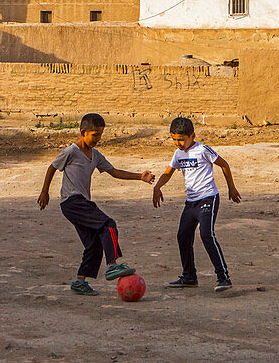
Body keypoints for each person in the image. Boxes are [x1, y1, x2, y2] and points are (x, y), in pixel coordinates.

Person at [37, 113, 154, 295]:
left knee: (94, 244)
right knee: (108, 224)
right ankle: (112, 265)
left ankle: (79, 281)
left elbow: (114, 171)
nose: (98, 139)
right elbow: (52, 167)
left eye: (100, 135)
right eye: (95, 135)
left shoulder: (96, 155)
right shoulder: (71, 151)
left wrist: (140, 177)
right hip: (72, 201)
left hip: (81, 203)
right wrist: (45, 192)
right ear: (83, 132)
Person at [152, 116, 241, 293]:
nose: (178, 143)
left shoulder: (202, 150)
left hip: (208, 198)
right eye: (174, 139)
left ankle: (223, 277)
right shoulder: (178, 154)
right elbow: (168, 172)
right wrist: (157, 186)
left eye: (182, 140)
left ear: (192, 135)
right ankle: (189, 276)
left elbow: (224, 165)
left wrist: (231, 188)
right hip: (191, 202)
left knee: (206, 235)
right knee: (183, 236)